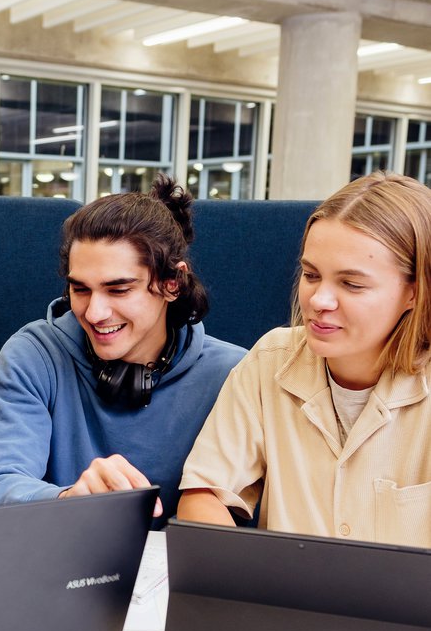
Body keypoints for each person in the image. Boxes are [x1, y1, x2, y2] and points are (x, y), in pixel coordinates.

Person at [0, 174, 245, 525]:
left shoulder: (236, 375)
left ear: (172, 283)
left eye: (118, 290)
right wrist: (68, 500)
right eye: (80, 289)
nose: (94, 313)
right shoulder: (33, 355)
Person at [178, 171, 431, 547]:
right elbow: (204, 494)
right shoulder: (271, 360)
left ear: (414, 292)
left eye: (352, 284)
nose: (318, 301)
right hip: (285, 602)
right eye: (311, 275)